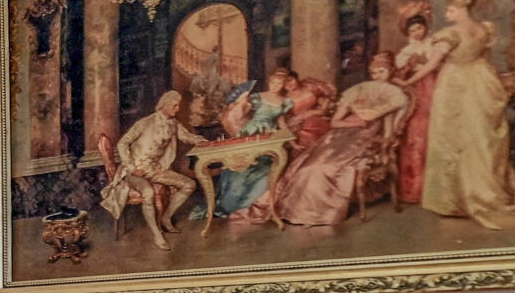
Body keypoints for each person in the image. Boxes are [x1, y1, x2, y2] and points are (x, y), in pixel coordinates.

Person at [418, 0, 515, 230]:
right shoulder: (483, 29)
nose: (446, 15)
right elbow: (483, 55)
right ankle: (485, 186)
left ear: (459, 10)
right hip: (481, 79)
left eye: (449, 10)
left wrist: (409, 79)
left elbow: (432, 64)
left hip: (457, 84)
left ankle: (463, 197)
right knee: (481, 138)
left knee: (457, 137)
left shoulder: (450, 34)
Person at [277, 56, 411, 229]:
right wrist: (356, 122)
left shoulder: (391, 98)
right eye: (374, 73)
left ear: (391, 71)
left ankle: (318, 214)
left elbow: (388, 133)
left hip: (365, 139)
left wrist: (377, 141)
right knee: (306, 166)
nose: (378, 76)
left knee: (323, 169)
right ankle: (300, 213)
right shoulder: (358, 92)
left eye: (381, 72)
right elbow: (334, 123)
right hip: (339, 136)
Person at [101, 89, 201, 250]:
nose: (178, 109)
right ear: (165, 105)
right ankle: (157, 234)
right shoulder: (145, 123)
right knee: (148, 193)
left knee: (189, 184)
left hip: (154, 169)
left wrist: (201, 141)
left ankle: (166, 218)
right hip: (133, 171)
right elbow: (122, 143)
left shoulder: (173, 124)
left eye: (178, 106)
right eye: (175, 106)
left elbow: (187, 136)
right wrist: (132, 167)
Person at [213, 69, 296, 221]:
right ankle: (230, 205)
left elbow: (281, 123)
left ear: (284, 85)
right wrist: (242, 101)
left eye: (279, 83)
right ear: (269, 82)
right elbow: (243, 113)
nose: (275, 86)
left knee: (266, 168)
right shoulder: (258, 97)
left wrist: (292, 141)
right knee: (243, 166)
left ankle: (251, 205)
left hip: (270, 133)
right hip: (252, 131)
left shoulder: (284, 102)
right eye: (273, 82)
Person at [390, 8, 442, 205]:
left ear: (426, 28)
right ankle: (416, 188)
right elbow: (399, 73)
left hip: (436, 86)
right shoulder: (405, 52)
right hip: (416, 91)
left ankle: (440, 187)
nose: (418, 33)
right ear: (408, 34)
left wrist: (426, 62)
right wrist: (408, 67)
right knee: (416, 133)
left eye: (420, 28)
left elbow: (438, 63)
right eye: (413, 31)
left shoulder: (434, 45)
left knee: (436, 129)